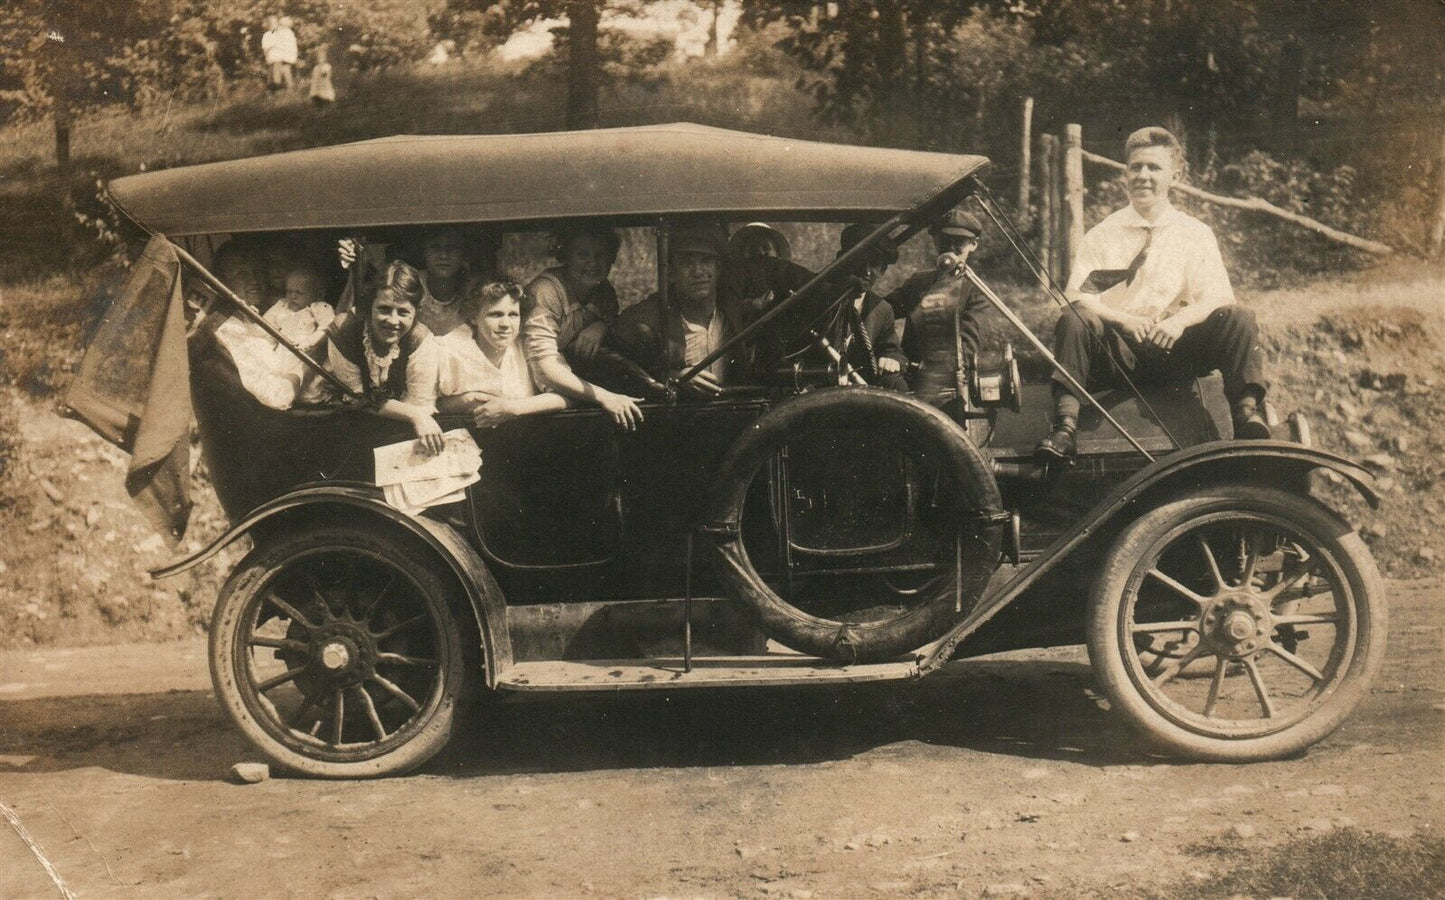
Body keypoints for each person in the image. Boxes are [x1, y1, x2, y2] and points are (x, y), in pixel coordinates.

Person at [1035, 126, 1270, 462]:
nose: (1143, 176)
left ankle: (1246, 415)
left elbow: (1217, 296)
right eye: (1136, 167)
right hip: (1118, 353)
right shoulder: (1103, 235)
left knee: (1239, 317)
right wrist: (1124, 320)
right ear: (1125, 174)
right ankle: (1064, 428)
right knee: (1075, 319)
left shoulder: (1194, 233)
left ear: (1175, 176)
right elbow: (1079, 296)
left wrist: (1179, 322)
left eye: (1154, 168)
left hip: (1176, 350)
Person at [302, 260, 444, 453]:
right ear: (370, 306)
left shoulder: (421, 340)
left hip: (403, 429)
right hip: (350, 424)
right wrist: (416, 416)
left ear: (415, 313)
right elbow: (357, 396)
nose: (393, 321)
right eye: (384, 309)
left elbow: (420, 404)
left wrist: (417, 417)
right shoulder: (344, 330)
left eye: (403, 312)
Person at [522, 225, 643, 429]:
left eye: (600, 255)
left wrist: (601, 326)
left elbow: (614, 324)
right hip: (533, 380)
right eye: (582, 255)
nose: (593, 263)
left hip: (569, 376)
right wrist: (605, 397)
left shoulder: (603, 290)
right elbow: (544, 367)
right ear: (566, 256)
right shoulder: (545, 291)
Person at [435, 280, 568, 427]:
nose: (505, 324)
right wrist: (466, 400)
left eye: (513, 315)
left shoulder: (530, 345)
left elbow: (566, 397)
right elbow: (425, 404)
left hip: (522, 434)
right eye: (496, 315)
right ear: (473, 317)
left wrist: (513, 408)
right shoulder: (446, 349)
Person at [886, 209, 990, 371]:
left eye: (959, 241)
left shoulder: (976, 292)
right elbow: (883, 311)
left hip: (953, 377)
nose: (951, 247)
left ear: (973, 244)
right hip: (909, 374)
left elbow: (968, 348)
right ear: (935, 240)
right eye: (945, 240)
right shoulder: (918, 283)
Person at [821, 223, 908, 391]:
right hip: (816, 386)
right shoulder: (817, 295)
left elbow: (891, 349)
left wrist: (891, 360)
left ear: (882, 271)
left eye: (874, 264)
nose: (867, 271)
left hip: (860, 388)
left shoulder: (881, 309)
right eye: (860, 261)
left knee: (897, 385)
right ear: (842, 260)